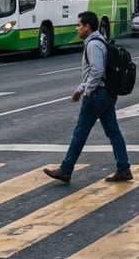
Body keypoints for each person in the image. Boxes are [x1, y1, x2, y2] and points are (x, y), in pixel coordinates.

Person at [45, 11, 132, 184]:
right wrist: (81, 89)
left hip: (97, 94)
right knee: (113, 132)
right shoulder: (100, 41)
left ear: (87, 27)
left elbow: (96, 71)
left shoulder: (92, 45)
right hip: (107, 93)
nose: (77, 28)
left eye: (79, 25)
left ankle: (66, 169)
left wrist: (86, 91)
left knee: (80, 132)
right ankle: (124, 168)